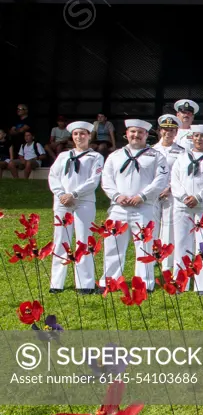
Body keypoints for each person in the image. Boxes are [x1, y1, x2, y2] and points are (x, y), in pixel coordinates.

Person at [100, 119, 169, 291]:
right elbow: (106, 180)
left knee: (145, 247)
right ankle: (110, 281)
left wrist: (142, 196)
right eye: (133, 132)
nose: (136, 135)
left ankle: (145, 283)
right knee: (113, 246)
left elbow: (161, 180)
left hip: (144, 208)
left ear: (146, 135)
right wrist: (117, 196)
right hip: (119, 209)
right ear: (127, 134)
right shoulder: (115, 156)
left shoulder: (156, 156)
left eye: (140, 132)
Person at [48, 121, 105, 293]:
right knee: (60, 240)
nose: (79, 137)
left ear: (89, 136)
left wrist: (74, 194)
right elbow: (53, 176)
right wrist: (61, 195)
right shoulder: (63, 156)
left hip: (83, 202)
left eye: (82, 134)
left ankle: (84, 283)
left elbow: (93, 181)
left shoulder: (96, 157)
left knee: (84, 240)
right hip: (62, 203)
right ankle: (56, 283)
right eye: (76, 134)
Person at [170, 124, 203, 295]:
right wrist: (184, 197)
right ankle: (180, 281)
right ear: (191, 138)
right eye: (196, 136)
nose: (199, 139)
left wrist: (198, 197)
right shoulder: (182, 157)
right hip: (183, 206)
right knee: (181, 243)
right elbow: (174, 180)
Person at [151, 115, 187, 272]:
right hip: (152, 194)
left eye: (172, 130)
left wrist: (170, 188)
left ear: (176, 132)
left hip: (171, 194)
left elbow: (182, 174)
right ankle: (151, 258)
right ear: (160, 131)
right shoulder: (151, 150)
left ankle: (166, 262)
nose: (168, 133)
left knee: (168, 227)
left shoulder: (182, 152)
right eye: (165, 129)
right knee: (150, 226)